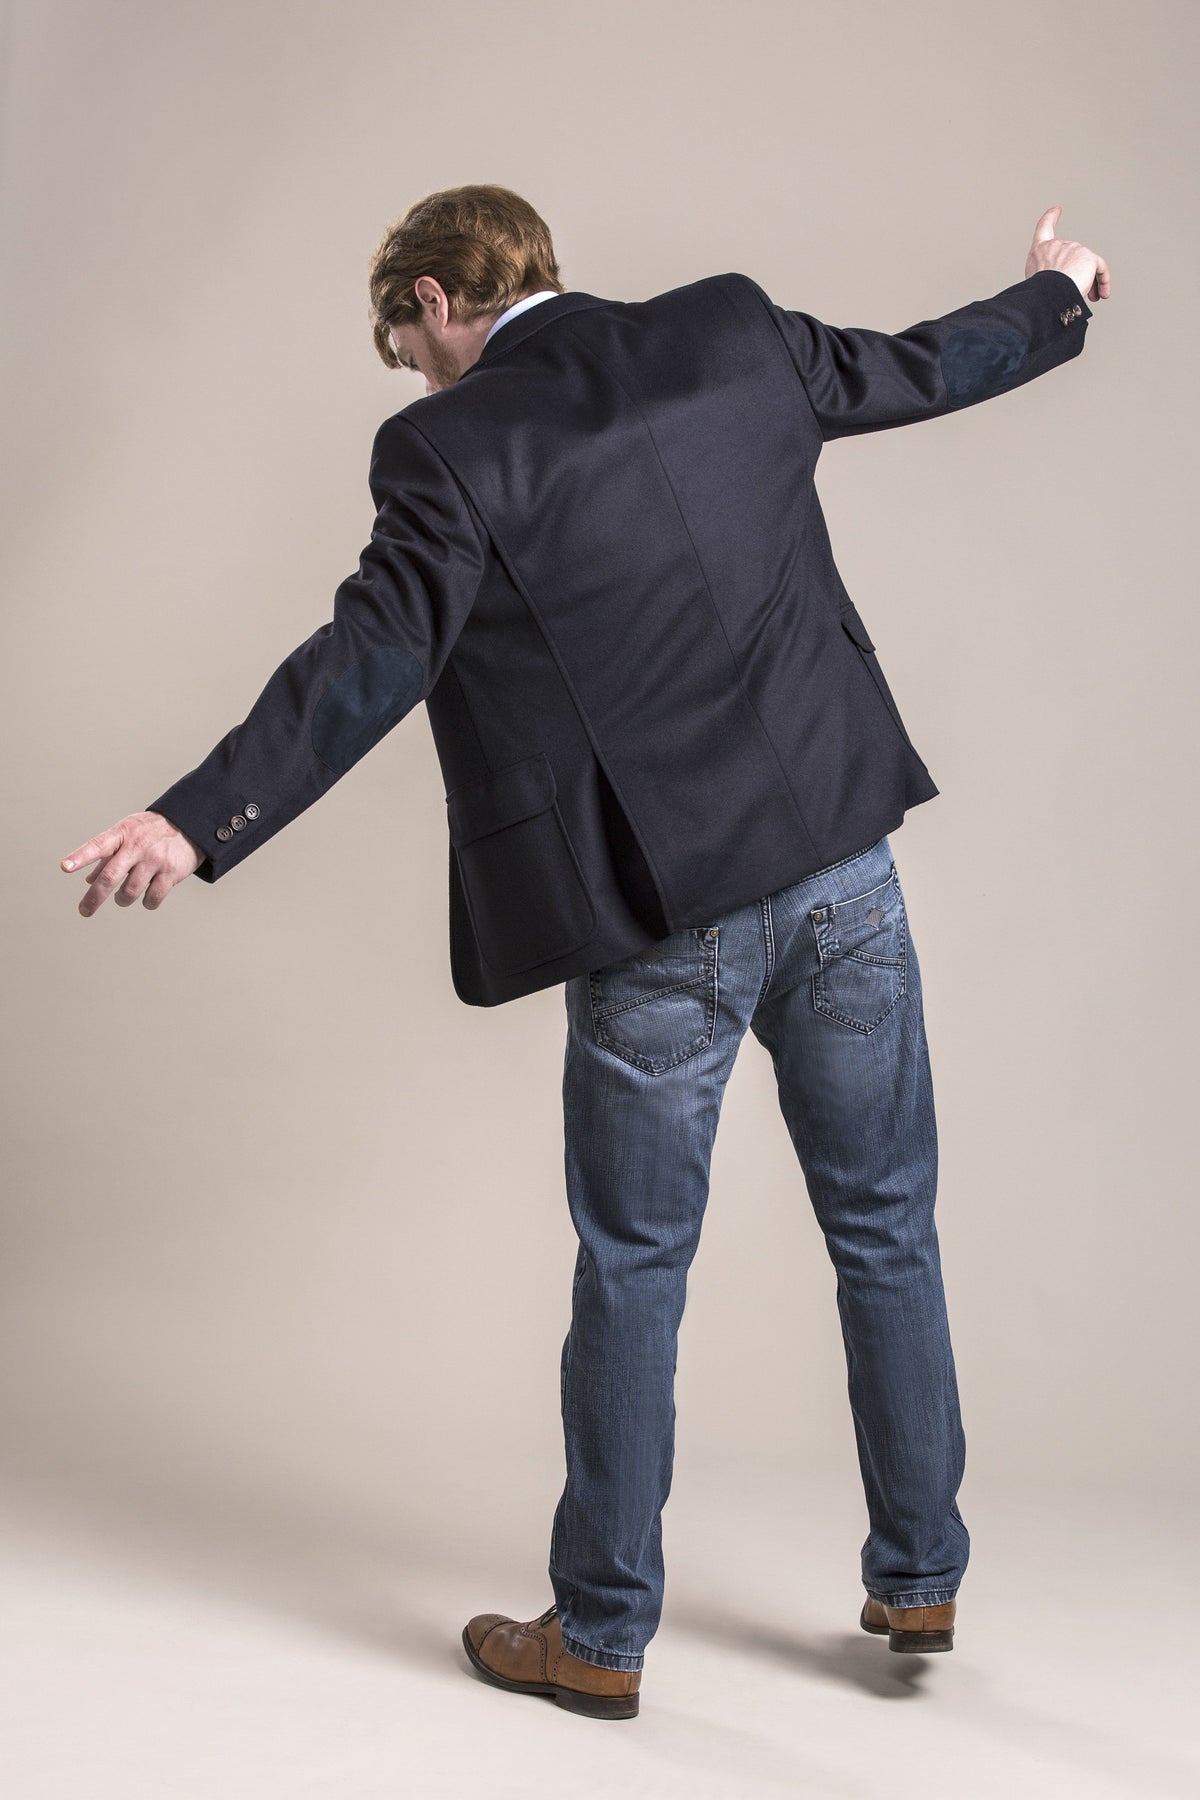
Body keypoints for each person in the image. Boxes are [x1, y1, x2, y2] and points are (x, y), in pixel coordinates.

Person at [60, 186, 1110, 1722]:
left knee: (633, 1271)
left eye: (400, 340)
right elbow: (927, 364)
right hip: (841, 869)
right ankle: (920, 1567)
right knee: (887, 1226)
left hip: (661, 914)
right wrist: (1062, 292)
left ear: (432, 299)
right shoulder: (731, 334)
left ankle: (601, 1637)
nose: (410, 372)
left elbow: (373, 656)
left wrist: (192, 818)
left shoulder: (449, 444)